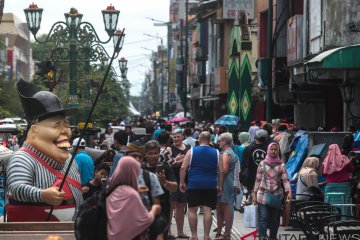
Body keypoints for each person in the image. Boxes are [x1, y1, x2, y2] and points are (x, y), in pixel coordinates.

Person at [6, 79, 82, 222]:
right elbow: (17, 188)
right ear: (34, 131)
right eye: (56, 126)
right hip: (36, 230)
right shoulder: (22, 158)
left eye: (66, 125)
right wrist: (42, 194)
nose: (65, 131)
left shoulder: (69, 160)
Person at [180, 131, 223, 240]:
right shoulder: (217, 152)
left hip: (194, 184)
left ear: (199, 139)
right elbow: (221, 171)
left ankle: (194, 236)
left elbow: (183, 168)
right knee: (208, 210)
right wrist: (220, 186)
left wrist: (181, 182)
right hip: (210, 184)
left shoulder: (192, 151)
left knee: (192, 210)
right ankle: (206, 236)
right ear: (210, 140)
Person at [106, 156, 160, 240]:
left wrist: (135, 189)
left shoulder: (111, 190)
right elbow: (145, 220)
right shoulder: (131, 195)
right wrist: (154, 209)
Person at [252, 142, 291, 240]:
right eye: (271, 149)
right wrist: (254, 192)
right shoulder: (262, 164)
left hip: (276, 196)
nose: (273, 151)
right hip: (262, 195)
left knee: (275, 219)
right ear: (268, 150)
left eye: (275, 149)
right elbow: (258, 179)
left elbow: (285, 180)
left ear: (278, 151)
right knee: (263, 218)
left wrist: (288, 192)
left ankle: (273, 237)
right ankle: (262, 237)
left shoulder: (281, 165)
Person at [143, 140, 178, 240]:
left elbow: (175, 187)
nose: (153, 156)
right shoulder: (141, 169)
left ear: (159, 153)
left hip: (163, 206)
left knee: (162, 234)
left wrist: (164, 182)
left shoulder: (165, 168)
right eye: (150, 154)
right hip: (144, 206)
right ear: (145, 155)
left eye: (155, 153)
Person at [167, 128, 191, 239]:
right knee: (171, 207)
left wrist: (179, 161)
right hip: (172, 180)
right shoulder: (169, 148)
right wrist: (179, 160)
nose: (176, 139)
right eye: (174, 137)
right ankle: (168, 231)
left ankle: (180, 232)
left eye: (178, 136)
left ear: (183, 137)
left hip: (184, 180)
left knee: (181, 206)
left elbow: (190, 161)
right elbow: (170, 164)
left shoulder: (188, 148)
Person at [215, 133, 238, 240]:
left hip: (225, 183)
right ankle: (220, 233)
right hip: (227, 182)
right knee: (220, 207)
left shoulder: (226, 154)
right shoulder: (227, 152)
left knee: (226, 207)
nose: (218, 142)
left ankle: (226, 234)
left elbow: (223, 171)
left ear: (225, 141)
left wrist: (219, 185)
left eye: (220, 140)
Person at [322, 144, 355, 208]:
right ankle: (344, 217)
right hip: (344, 185)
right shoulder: (344, 158)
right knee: (344, 204)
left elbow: (324, 174)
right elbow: (351, 169)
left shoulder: (326, 160)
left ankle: (330, 217)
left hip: (330, 186)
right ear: (338, 150)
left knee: (330, 204)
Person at [243, 129, 268, 194]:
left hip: (251, 178)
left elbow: (245, 164)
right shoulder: (269, 149)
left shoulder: (248, 148)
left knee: (251, 199)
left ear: (255, 137)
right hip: (266, 178)